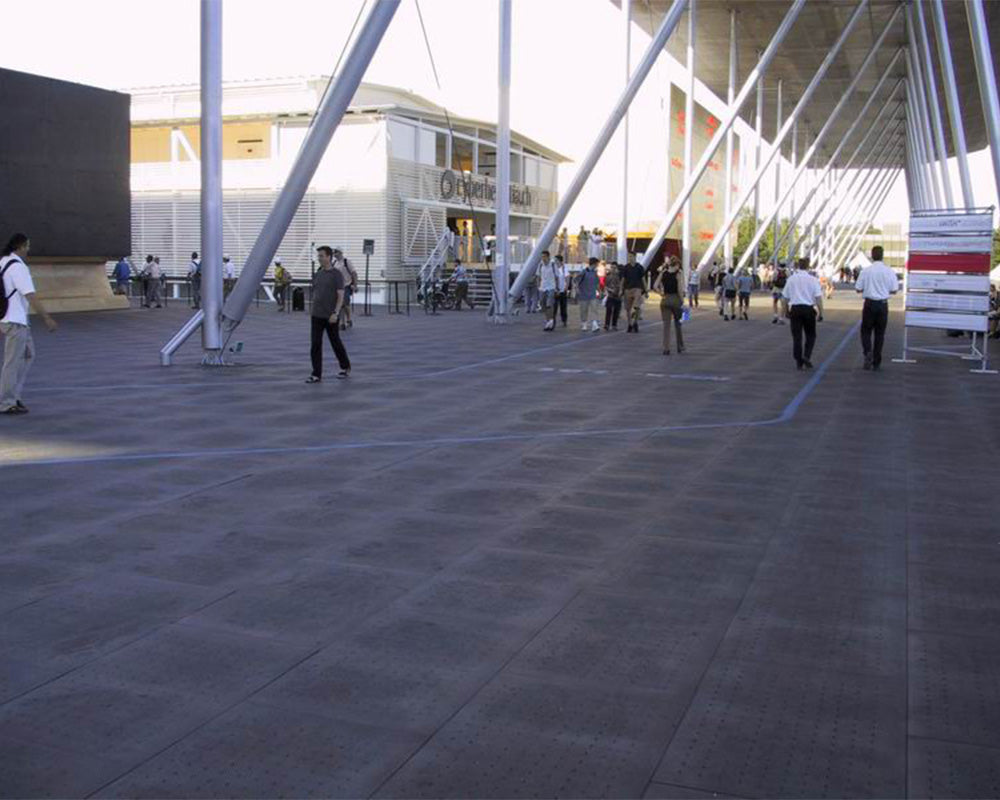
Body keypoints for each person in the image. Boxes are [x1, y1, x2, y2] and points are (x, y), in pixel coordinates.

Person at [1, 233, 58, 415]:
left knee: (27, 355)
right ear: (20, 246)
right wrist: (46, 317)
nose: (28, 249)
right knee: (12, 362)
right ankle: (6, 402)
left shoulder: (3, 262)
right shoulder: (18, 267)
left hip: (7, 318)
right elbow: (29, 294)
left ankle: (13, 395)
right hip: (15, 320)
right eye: (27, 246)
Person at [305, 245, 350, 383]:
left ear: (329, 257)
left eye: (321, 256)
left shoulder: (336, 274)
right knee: (315, 344)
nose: (319, 258)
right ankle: (316, 374)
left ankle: (345, 367)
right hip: (316, 315)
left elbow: (340, 295)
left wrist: (336, 313)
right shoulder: (318, 274)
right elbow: (316, 292)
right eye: (318, 256)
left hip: (331, 316)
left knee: (335, 342)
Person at [854, 245, 899, 371]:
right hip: (883, 305)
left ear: (872, 256)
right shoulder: (889, 271)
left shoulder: (866, 271)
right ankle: (877, 361)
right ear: (882, 256)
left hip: (869, 304)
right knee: (880, 334)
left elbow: (858, 288)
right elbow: (894, 290)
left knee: (866, 331)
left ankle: (867, 351)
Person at [781, 257, 824, 370]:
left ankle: (798, 361)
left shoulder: (791, 279)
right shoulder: (813, 280)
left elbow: (784, 298)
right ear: (808, 266)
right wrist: (821, 313)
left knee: (797, 337)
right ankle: (807, 355)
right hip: (808, 310)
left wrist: (785, 311)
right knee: (811, 335)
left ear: (797, 266)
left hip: (795, 309)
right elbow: (818, 298)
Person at [654, 255, 685, 355]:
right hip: (675, 299)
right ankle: (680, 346)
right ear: (676, 264)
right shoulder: (678, 274)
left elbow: (655, 286)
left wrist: (661, 293)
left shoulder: (663, 273)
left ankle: (666, 348)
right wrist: (682, 300)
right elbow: (680, 289)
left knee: (666, 325)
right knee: (678, 323)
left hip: (665, 299)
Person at [538, 250, 564, 331]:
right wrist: (538, 285)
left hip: (551, 287)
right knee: (543, 304)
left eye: (544, 256)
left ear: (548, 257)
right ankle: (548, 319)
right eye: (542, 257)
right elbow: (538, 276)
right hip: (543, 287)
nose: (543, 258)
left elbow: (557, 277)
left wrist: (557, 288)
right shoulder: (540, 265)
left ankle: (551, 320)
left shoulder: (553, 265)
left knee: (549, 304)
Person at [332, 247, 358, 328]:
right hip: (337, 286)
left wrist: (355, 285)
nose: (334, 254)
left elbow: (354, 274)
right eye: (334, 252)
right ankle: (341, 322)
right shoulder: (334, 263)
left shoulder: (347, 262)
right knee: (339, 303)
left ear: (340, 253)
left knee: (345, 303)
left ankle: (348, 319)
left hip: (346, 285)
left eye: (336, 252)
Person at [621, 252, 647, 333]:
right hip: (628, 289)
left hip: (637, 288)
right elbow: (623, 279)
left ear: (635, 257)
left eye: (631, 256)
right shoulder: (626, 267)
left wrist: (645, 290)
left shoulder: (639, 267)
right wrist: (620, 289)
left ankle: (635, 321)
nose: (630, 258)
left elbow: (643, 279)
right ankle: (630, 324)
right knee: (628, 309)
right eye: (629, 256)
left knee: (637, 306)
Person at [575, 257, 601, 332]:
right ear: (594, 264)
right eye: (597, 264)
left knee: (594, 309)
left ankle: (595, 324)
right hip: (583, 294)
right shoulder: (583, 272)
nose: (597, 265)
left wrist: (599, 291)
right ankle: (584, 323)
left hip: (592, 294)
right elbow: (576, 280)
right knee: (583, 310)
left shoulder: (595, 272)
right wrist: (577, 289)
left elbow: (597, 283)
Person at [604, 261, 623, 331]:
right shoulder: (608, 276)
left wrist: (620, 291)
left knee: (616, 311)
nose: (613, 269)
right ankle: (607, 324)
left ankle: (614, 325)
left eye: (614, 268)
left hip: (618, 295)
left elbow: (622, 284)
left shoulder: (620, 276)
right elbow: (605, 286)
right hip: (610, 295)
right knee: (609, 309)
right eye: (612, 267)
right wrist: (608, 290)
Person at [551, 255, 570, 326]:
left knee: (563, 307)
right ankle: (553, 321)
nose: (555, 262)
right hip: (555, 290)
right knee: (554, 307)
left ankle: (564, 320)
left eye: (556, 260)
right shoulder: (552, 269)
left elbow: (567, 278)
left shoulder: (564, 268)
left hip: (562, 290)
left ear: (560, 261)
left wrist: (566, 288)